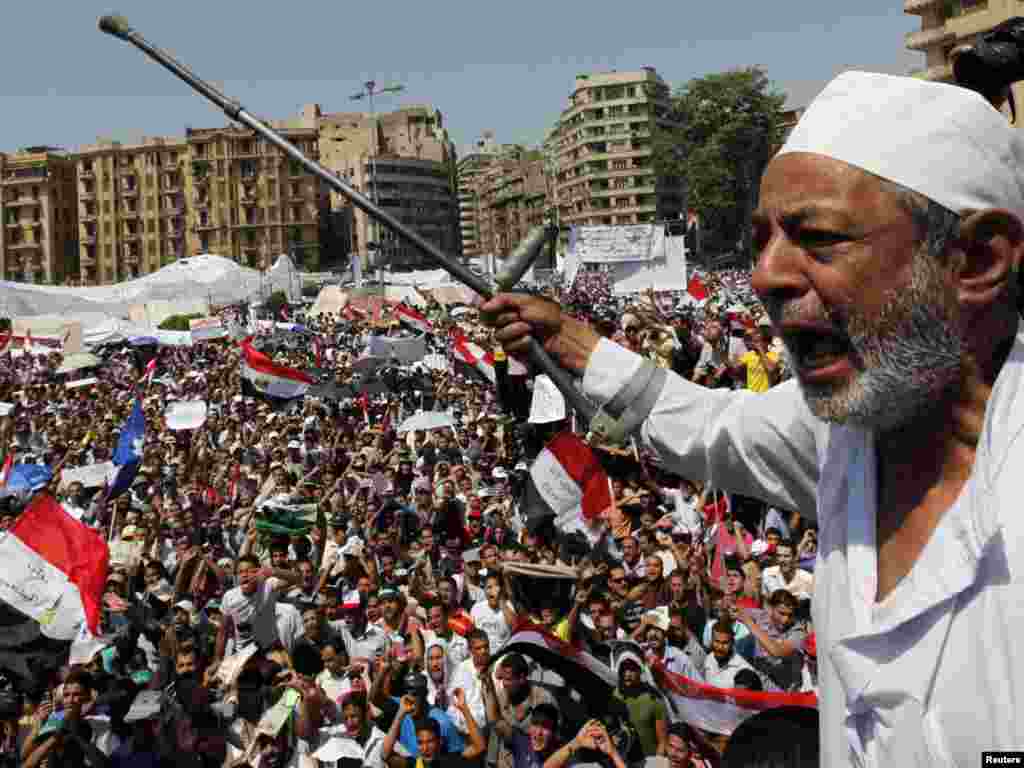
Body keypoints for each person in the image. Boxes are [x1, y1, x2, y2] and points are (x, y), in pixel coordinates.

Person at [483, 70, 1024, 765]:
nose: (766, 275)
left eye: (818, 237)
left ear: (975, 261)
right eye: (764, 239)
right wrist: (573, 344)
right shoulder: (841, 434)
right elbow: (713, 427)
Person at [381, 683, 485, 767]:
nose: (425, 749)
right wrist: (401, 713)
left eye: (430, 742)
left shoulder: (450, 762)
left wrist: (464, 709)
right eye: (420, 743)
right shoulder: (414, 764)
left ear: (439, 742)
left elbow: (479, 747)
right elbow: (385, 755)